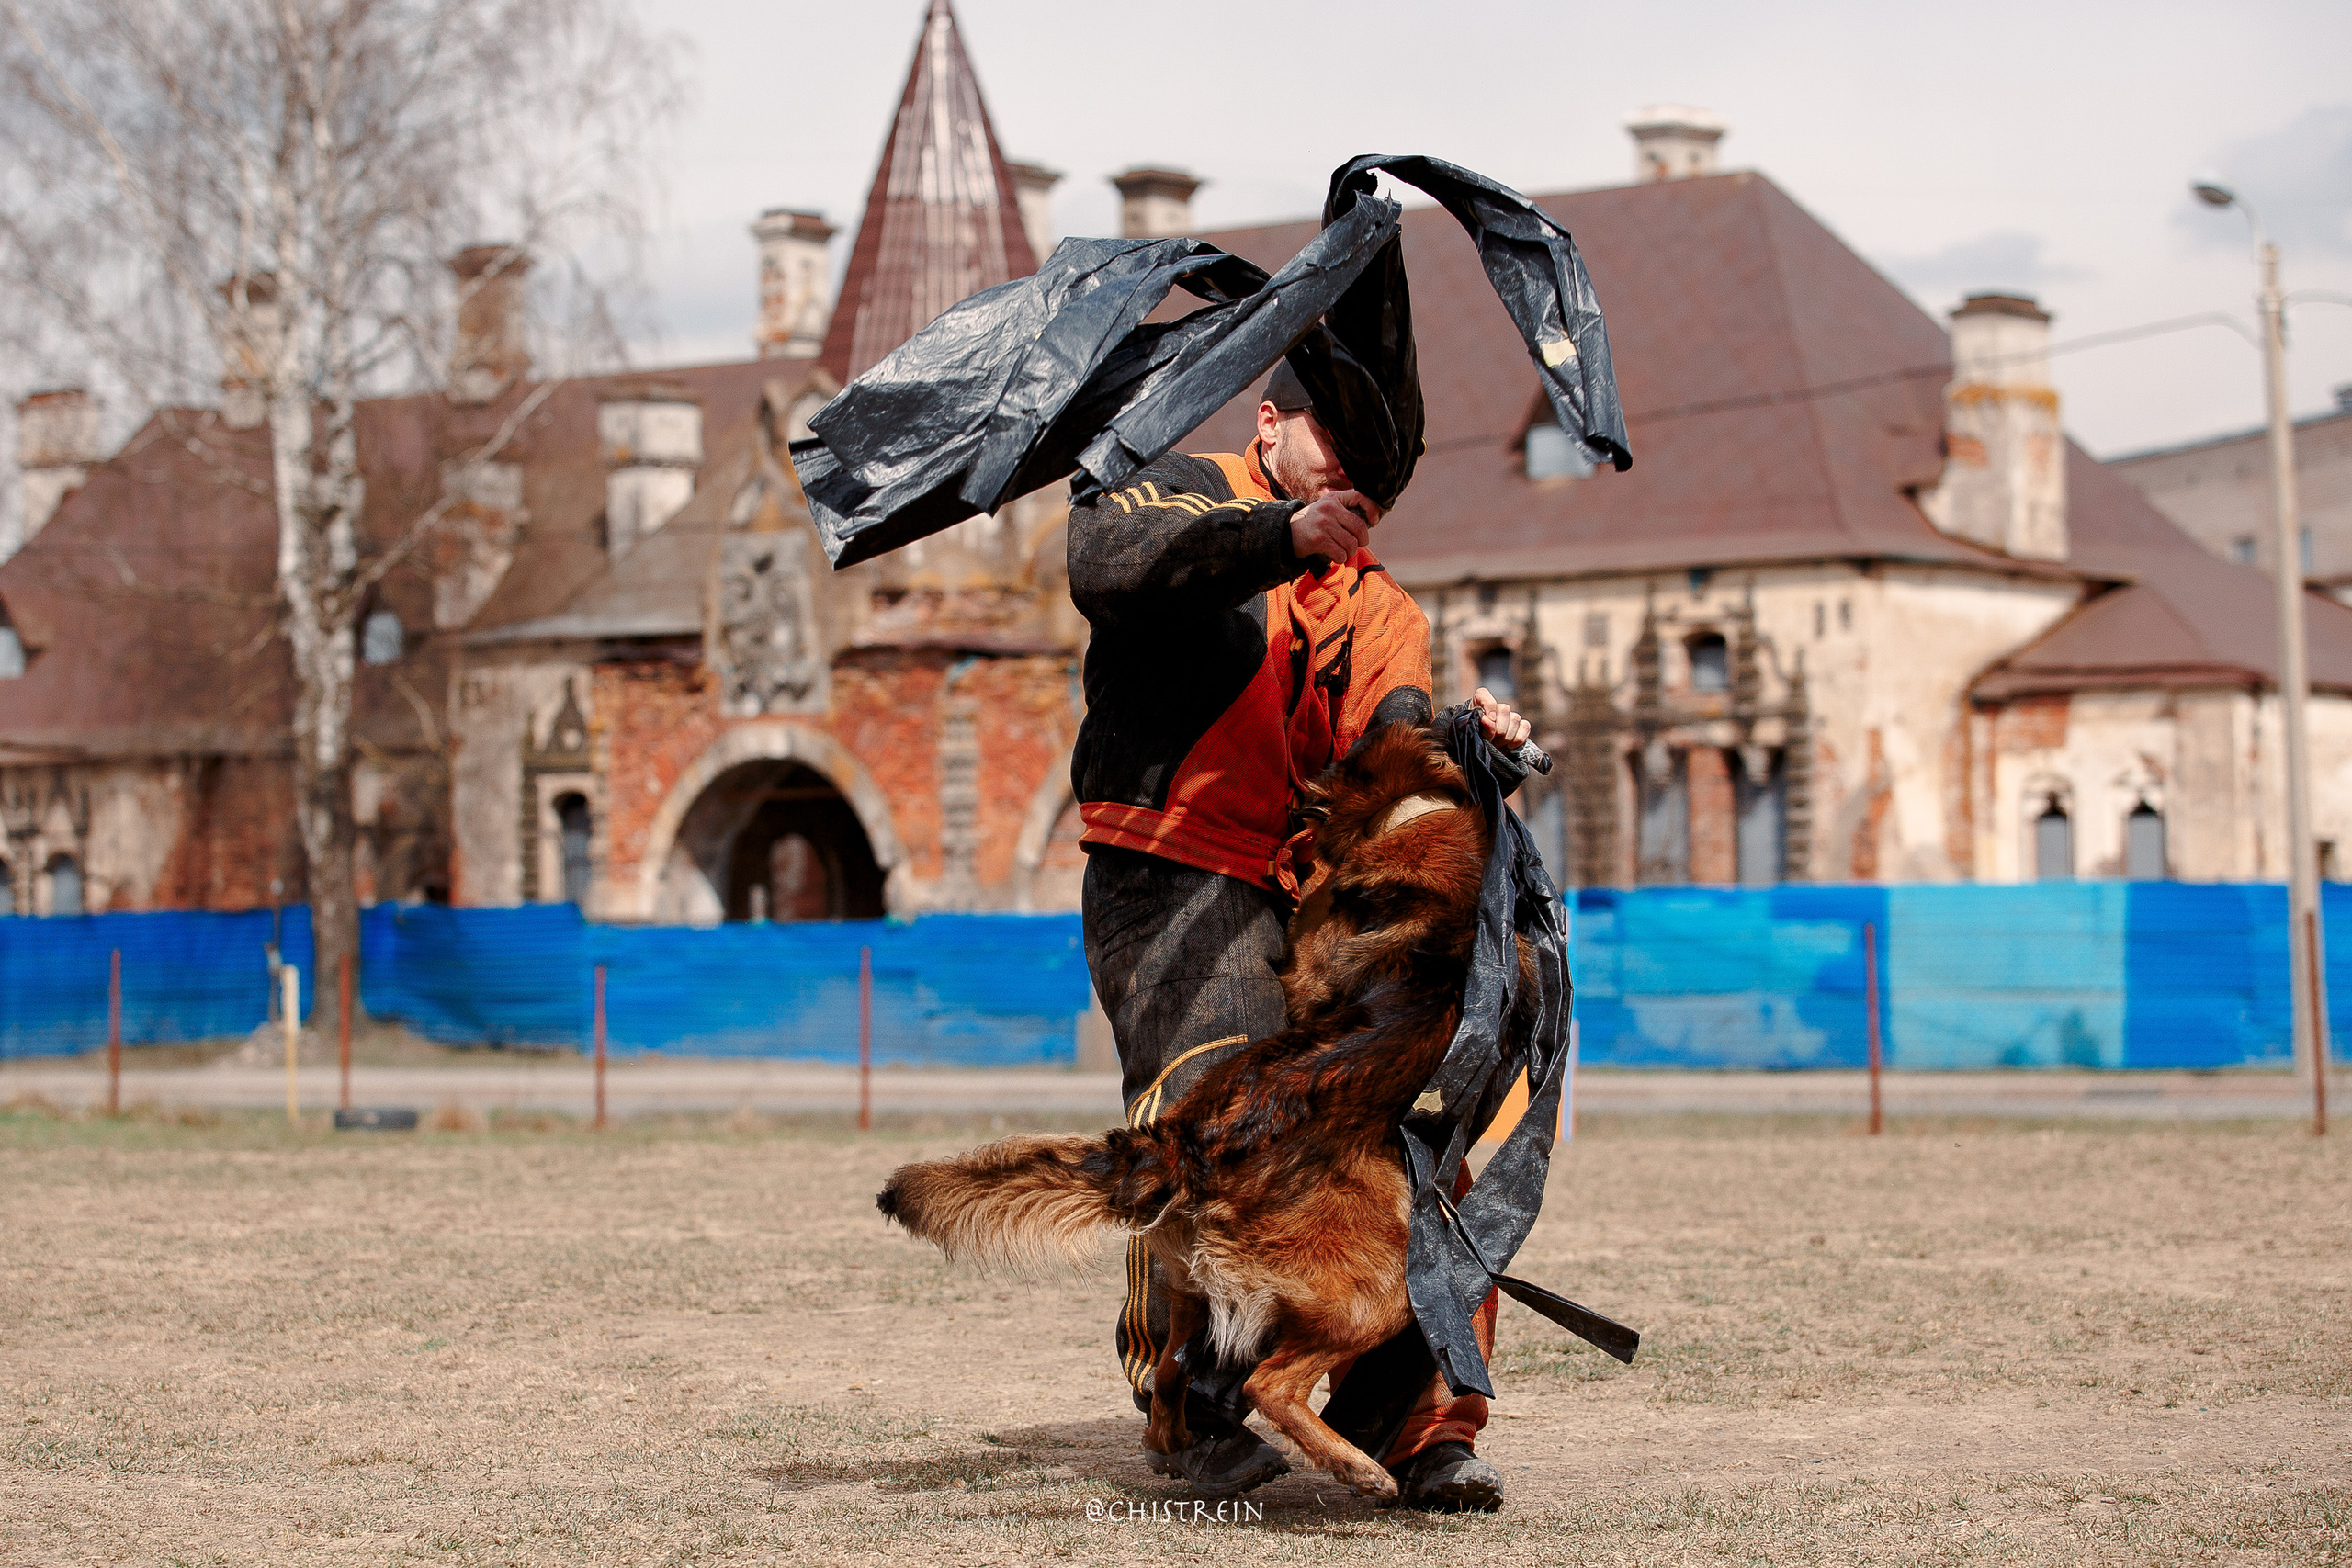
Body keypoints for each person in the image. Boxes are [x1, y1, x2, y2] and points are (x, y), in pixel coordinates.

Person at [1065, 362, 1532, 1509]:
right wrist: (1282, 533)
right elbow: (1104, 565)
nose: (1358, 473)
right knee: (1214, 1101)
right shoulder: (1169, 486)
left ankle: (1421, 1426)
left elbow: (1392, 740)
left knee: (1430, 1132)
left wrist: (1469, 742)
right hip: (1170, 869)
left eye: (1380, 465)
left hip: (1315, 899)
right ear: (1267, 424)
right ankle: (1190, 1401)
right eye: (1340, 439)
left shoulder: (1382, 607)